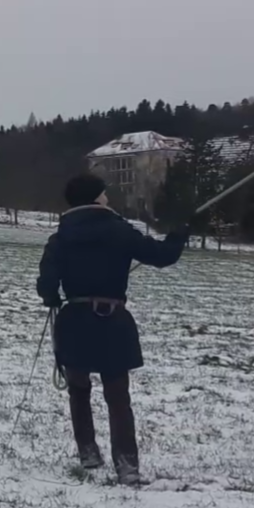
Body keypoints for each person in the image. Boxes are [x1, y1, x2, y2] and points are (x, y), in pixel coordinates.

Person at [37, 173, 189, 485]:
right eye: (104, 194)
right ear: (96, 198)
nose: (108, 198)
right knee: (118, 396)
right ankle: (127, 464)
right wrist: (179, 233)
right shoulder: (119, 230)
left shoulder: (60, 238)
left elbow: (47, 286)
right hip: (113, 322)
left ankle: (88, 451)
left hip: (75, 321)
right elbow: (162, 257)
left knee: (79, 390)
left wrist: (52, 297)